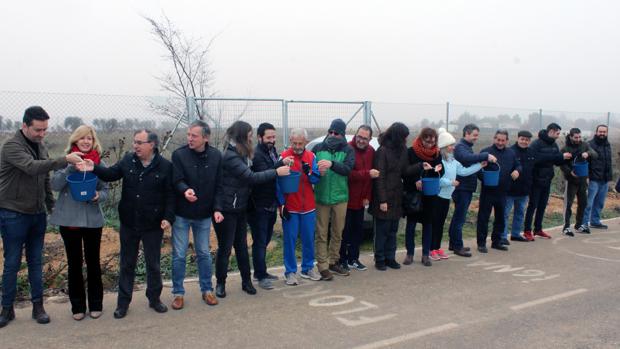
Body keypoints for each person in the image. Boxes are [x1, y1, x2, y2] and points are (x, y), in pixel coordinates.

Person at [78, 129, 175, 319]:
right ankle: (123, 303)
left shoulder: (165, 166)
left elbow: (170, 195)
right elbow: (110, 174)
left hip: (153, 224)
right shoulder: (128, 160)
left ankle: (154, 299)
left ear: (152, 145)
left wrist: (168, 217)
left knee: (153, 264)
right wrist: (94, 167)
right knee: (127, 264)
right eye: (134, 142)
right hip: (130, 222)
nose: (135, 146)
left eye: (140, 142)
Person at [0, 106, 83, 328]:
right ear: (24, 125)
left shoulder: (39, 146)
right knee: (12, 263)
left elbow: (45, 178)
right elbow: (31, 168)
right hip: (13, 213)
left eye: (45, 129)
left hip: (37, 214)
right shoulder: (11, 147)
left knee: (36, 261)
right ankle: (6, 309)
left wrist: (50, 205)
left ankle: (38, 307)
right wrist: (65, 159)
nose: (42, 134)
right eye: (38, 129)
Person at [213, 121, 290, 297]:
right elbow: (250, 177)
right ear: (242, 136)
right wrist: (277, 171)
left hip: (241, 206)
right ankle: (220, 283)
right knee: (225, 249)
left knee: (241, 247)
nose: (250, 138)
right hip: (227, 208)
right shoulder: (231, 156)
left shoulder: (242, 153)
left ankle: (246, 281)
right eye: (249, 136)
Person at [49, 125, 108, 321]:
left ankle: (96, 304)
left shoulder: (99, 163)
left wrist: (99, 195)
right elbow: (55, 185)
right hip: (69, 221)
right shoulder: (65, 160)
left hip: (92, 220)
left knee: (93, 262)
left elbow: (105, 189)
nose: (85, 141)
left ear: (93, 141)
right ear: (75, 141)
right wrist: (70, 166)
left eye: (89, 139)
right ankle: (77, 306)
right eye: (82, 138)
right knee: (74, 263)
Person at [170, 120, 221, 310]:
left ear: (205, 138)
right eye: (188, 135)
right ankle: (178, 293)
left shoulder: (216, 156)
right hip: (182, 214)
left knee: (204, 253)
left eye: (194, 135)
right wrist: (185, 191)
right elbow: (176, 179)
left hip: (204, 215)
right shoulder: (179, 155)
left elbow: (219, 185)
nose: (189, 138)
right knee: (179, 255)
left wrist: (217, 208)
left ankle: (207, 290)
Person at [312, 118, 355, 280]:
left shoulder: (348, 150)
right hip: (321, 197)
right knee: (321, 233)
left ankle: (333, 262)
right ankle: (322, 266)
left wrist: (331, 164)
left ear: (342, 134)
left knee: (337, 232)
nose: (332, 135)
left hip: (340, 197)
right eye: (330, 131)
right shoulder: (318, 148)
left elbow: (348, 169)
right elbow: (311, 170)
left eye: (336, 133)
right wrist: (317, 172)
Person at [277, 128, 322, 285]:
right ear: (290, 141)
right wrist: (281, 204)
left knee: (309, 239)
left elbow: (316, 180)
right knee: (289, 240)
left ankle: (307, 268)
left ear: (306, 142)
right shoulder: (283, 157)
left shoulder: (311, 156)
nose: (297, 146)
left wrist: (309, 172)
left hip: (308, 206)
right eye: (294, 143)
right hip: (291, 207)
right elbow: (277, 182)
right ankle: (290, 272)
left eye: (300, 143)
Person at [370, 122, 417, 270]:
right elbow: (380, 177)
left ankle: (390, 258)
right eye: (404, 137)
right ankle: (380, 259)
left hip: (397, 195)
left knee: (393, 230)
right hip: (383, 197)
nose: (406, 139)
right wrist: (382, 200)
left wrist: (420, 166)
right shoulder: (382, 151)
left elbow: (405, 171)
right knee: (382, 231)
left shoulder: (402, 150)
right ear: (398, 136)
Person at [434, 128, 485, 258]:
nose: (453, 147)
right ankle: (433, 249)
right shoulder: (439, 161)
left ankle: (438, 248)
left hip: (446, 197)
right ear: (444, 147)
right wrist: (450, 182)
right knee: (436, 223)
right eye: (451, 145)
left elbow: (463, 171)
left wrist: (480, 165)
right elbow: (437, 179)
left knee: (441, 224)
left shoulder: (452, 161)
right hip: (437, 196)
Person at [447, 124, 497, 255]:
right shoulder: (460, 148)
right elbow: (466, 159)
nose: (476, 138)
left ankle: (453, 243)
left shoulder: (466, 147)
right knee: (460, 218)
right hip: (462, 188)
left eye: (477, 135)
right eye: (474, 135)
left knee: (458, 217)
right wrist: (485, 155)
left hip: (465, 187)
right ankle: (458, 246)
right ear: (466, 134)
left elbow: (471, 163)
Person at [339, 125, 379, 272]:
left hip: (361, 200)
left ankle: (353, 258)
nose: (361, 140)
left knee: (357, 231)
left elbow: (371, 178)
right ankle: (341, 259)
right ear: (355, 135)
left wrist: (367, 196)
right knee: (344, 231)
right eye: (359, 137)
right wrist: (367, 173)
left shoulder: (371, 152)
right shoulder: (347, 149)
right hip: (346, 198)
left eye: (365, 138)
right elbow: (348, 173)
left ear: (369, 139)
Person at [523, 123, 572, 240]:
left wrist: (565, 159)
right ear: (550, 131)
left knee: (542, 206)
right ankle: (527, 230)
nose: (558, 136)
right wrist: (558, 157)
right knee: (532, 205)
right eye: (557, 133)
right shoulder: (536, 144)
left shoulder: (554, 145)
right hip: (536, 180)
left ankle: (538, 229)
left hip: (547, 179)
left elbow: (557, 161)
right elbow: (535, 159)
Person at [403, 127, 444, 266]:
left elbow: (440, 171)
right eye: (427, 142)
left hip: (430, 195)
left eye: (433, 142)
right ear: (421, 139)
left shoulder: (436, 153)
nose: (430, 145)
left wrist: (439, 169)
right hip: (414, 193)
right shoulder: (411, 151)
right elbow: (405, 172)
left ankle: (426, 254)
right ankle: (409, 253)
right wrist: (416, 180)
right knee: (411, 224)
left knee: (428, 224)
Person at [476, 130, 521, 252]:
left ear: (507, 141)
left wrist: (517, 170)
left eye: (503, 140)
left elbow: (518, 165)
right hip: (488, 191)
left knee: (500, 218)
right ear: (494, 139)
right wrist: (483, 178)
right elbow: (477, 168)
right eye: (498, 140)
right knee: (483, 218)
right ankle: (481, 243)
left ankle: (496, 241)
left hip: (503, 192)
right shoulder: (486, 152)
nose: (500, 142)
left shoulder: (511, 153)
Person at [248, 123, 281, 290]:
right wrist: (279, 166)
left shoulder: (272, 151)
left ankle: (262, 271)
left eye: (274, 137)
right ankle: (260, 275)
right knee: (260, 241)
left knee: (266, 239)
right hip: (258, 205)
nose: (272, 140)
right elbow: (262, 175)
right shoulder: (256, 154)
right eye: (269, 138)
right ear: (260, 137)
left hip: (271, 204)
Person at [559, 128, 597, 236]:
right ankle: (566, 227)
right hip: (571, 180)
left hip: (583, 179)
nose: (578, 139)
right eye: (576, 137)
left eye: (579, 137)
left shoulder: (584, 145)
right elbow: (560, 163)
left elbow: (595, 154)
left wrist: (588, 153)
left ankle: (578, 225)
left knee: (583, 203)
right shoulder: (565, 148)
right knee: (568, 204)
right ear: (570, 136)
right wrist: (569, 172)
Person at [503, 130, 535, 243]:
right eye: (522, 139)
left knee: (520, 213)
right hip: (510, 190)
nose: (524, 141)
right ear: (518, 139)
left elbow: (532, 170)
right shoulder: (510, 152)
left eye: (527, 140)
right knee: (505, 214)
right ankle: (503, 236)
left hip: (524, 190)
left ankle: (516, 234)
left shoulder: (531, 152)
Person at [583, 125, 612, 230]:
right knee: (588, 203)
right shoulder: (590, 145)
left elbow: (608, 162)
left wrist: (609, 177)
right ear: (596, 132)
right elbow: (586, 162)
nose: (602, 134)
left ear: (607, 133)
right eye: (600, 131)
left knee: (599, 203)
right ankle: (584, 223)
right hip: (593, 179)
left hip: (605, 179)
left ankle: (595, 221)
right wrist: (586, 177)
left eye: (604, 132)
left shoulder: (608, 145)